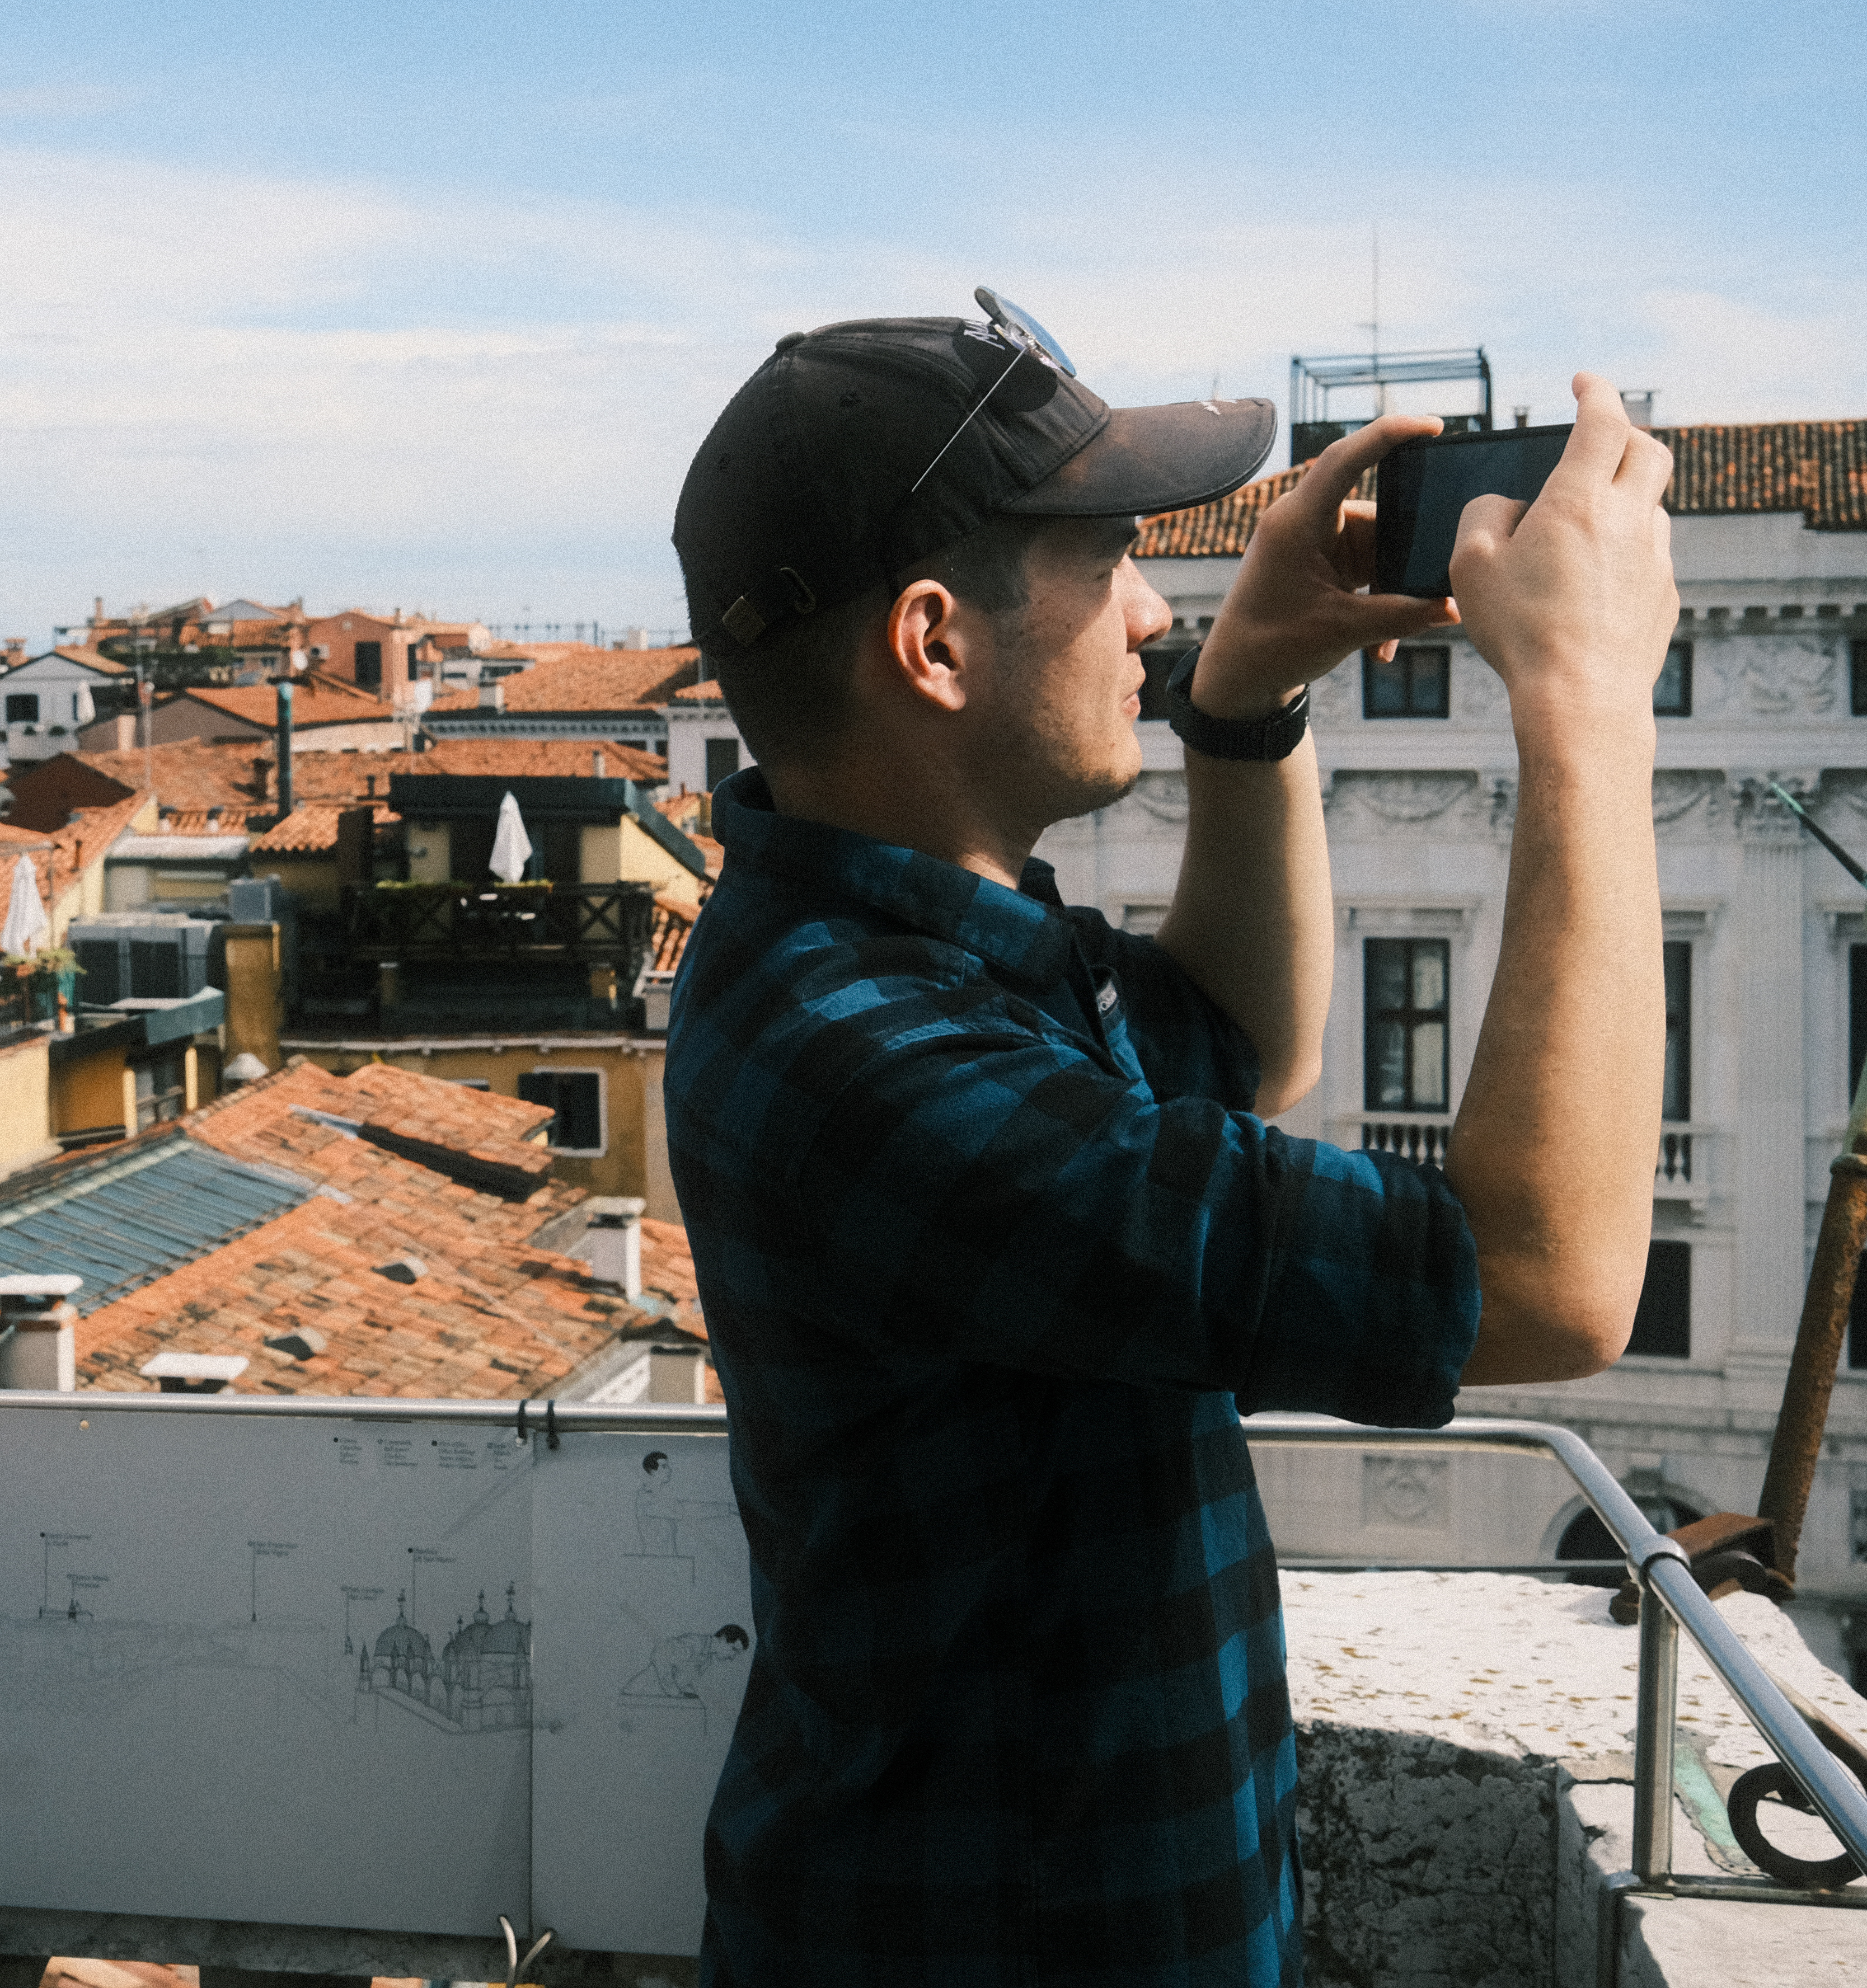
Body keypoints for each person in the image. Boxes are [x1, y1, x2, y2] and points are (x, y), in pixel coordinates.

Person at [665, 296, 1675, 1984]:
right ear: (934, 642)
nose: (1150, 610)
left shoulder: (917, 954)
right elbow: (1549, 1283)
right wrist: (1588, 716)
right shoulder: (867, 1062)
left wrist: (1247, 696)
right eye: (1107, 560)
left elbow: (1243, 1049)